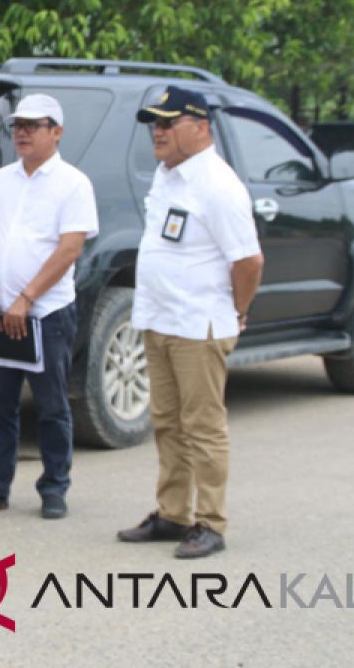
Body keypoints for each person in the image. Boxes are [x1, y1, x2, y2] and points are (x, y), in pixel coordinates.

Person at [116, 85, 264, 559]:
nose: (156, 133)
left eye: (167, 123)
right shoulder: (168, 174)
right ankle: (173, 513)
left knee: (202, 425)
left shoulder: (218, 185)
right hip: (160, 318)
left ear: (200, 127)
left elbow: (248, 262)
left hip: (198, 323)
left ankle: (210, 522)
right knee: (167, 422)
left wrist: (236, 312)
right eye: (153, 124)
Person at [0, 94, 98, 520]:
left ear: (57, 132)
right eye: (18, 125)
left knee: (52, 405)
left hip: (46, 313)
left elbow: (70, 248)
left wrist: (27, 298)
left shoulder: (73, 183)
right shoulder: (1, 180)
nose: (22, 133)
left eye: (34, 126)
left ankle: (54, 488)